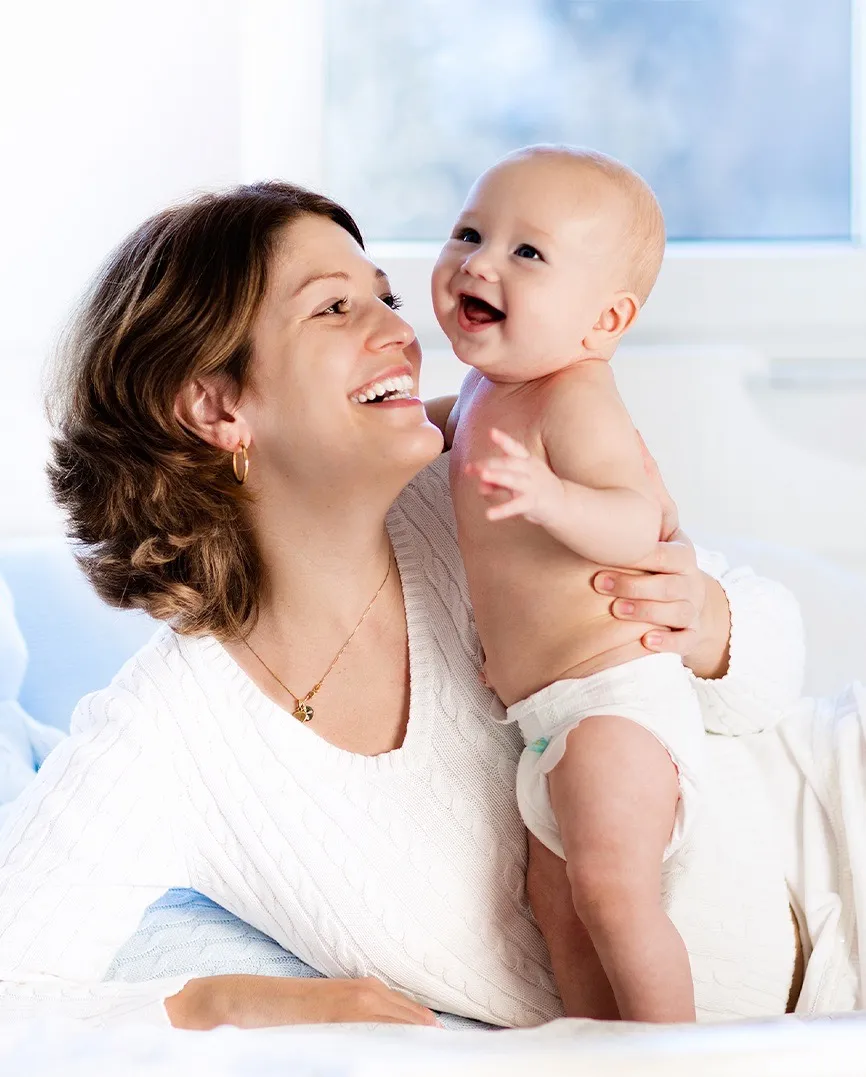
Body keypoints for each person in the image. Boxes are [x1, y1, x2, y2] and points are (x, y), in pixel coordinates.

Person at [0, 182, 803, 1029]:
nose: (400, 330)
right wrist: (225, 999)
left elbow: (772, 677)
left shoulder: (480, 485)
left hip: (834, 859)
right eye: (336, 308)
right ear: (217, 405)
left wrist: (709, 623)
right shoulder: (166, 734)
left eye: (384, 293)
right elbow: (13, 988)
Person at [433, 146, 701, 1021]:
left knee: (615, 895)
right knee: (561, 910)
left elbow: (638, 519)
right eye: (470, 232)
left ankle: (676, 1055)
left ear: (602, 322)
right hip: (543, 721)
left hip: (614, 700)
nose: (478, 262)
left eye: (527, 253)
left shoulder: (573, 396)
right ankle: (593, 1049)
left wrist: (551, 497)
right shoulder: (479, 390)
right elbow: (422, 428)